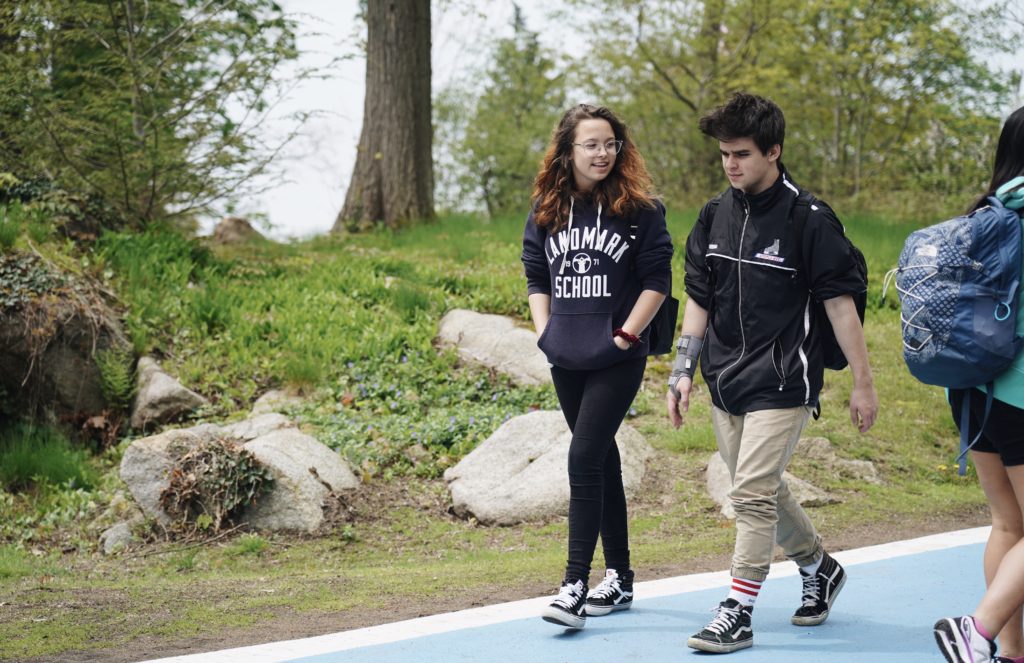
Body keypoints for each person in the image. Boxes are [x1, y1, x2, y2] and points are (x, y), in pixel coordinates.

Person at [666, 92, 878, 653]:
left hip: (784, 379)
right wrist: (682, 369)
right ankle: (817, 565)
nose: (731, 164)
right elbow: (698, 299)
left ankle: (737, 609)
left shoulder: (808, 219)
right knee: (757, 487)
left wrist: (863, 382)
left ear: (774, 152)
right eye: (723, 154)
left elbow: (840, 307)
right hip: (724, 378)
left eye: (741, 153)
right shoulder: (714, 214)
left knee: (752, 494)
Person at [521, 103, 673, 629]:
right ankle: (623, 578)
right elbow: (535, 272)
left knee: (583, 457)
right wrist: (545, 332)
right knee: (602, 460)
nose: (603, 153)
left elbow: (658, 279)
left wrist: (628, 334)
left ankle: (573, 585)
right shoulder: (548, 207)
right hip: (566, 355)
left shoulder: (642, 209)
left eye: (610, 143)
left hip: (616, 356)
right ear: (567, 151)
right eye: (591, 144)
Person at [934, 105, 1024, 663]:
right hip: (1018, 392)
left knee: (1007, 523)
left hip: (970, 391)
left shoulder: (984, 214)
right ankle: (978, 630)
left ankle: (1011, 652)